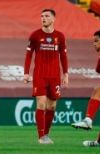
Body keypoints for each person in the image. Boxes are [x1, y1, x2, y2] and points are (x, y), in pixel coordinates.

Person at [23, 9, 68, 144]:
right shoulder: (35, 35)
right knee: (41, 103)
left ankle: (46, 135)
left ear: (53, 19)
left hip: (55, 76)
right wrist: (26, 72)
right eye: (42, 16)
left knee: (52, 106)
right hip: (40, 75)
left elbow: (64, 55)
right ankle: (41, 136)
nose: (43, 18)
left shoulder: (60, 36)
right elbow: (29, 55)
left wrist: (65, 73)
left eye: (47, 16)